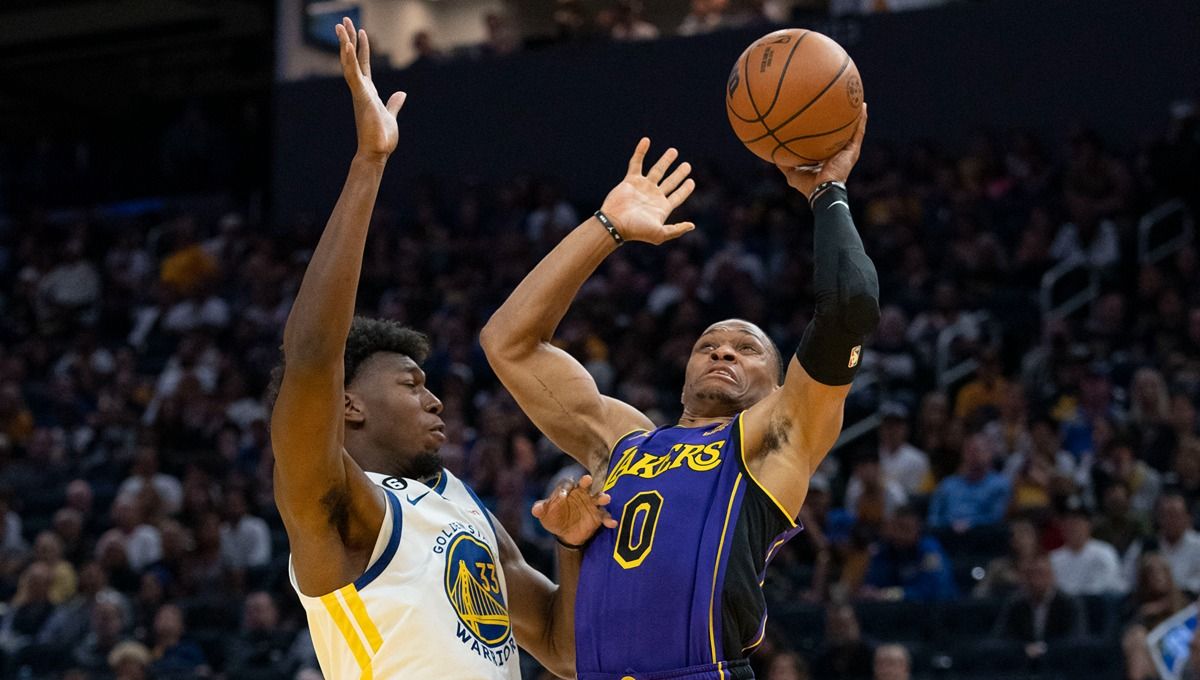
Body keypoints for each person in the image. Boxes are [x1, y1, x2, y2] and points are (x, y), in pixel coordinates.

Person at [270, 19, 613, 680]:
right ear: (349, 405)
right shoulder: (336, 506)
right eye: (411, 382)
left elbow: (562, 648)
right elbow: (311, 356)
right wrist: (368, 164)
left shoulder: (459, 502)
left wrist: (570, 544)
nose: (434, 399)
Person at [483, 106, 877, 677]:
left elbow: (849, 308)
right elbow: (508, 343)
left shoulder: (775, 436)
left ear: (776, 386)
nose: (722, 351)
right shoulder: (623, 441)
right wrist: (606, 226)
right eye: (709, 345)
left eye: (746, 350)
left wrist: (828, 191)